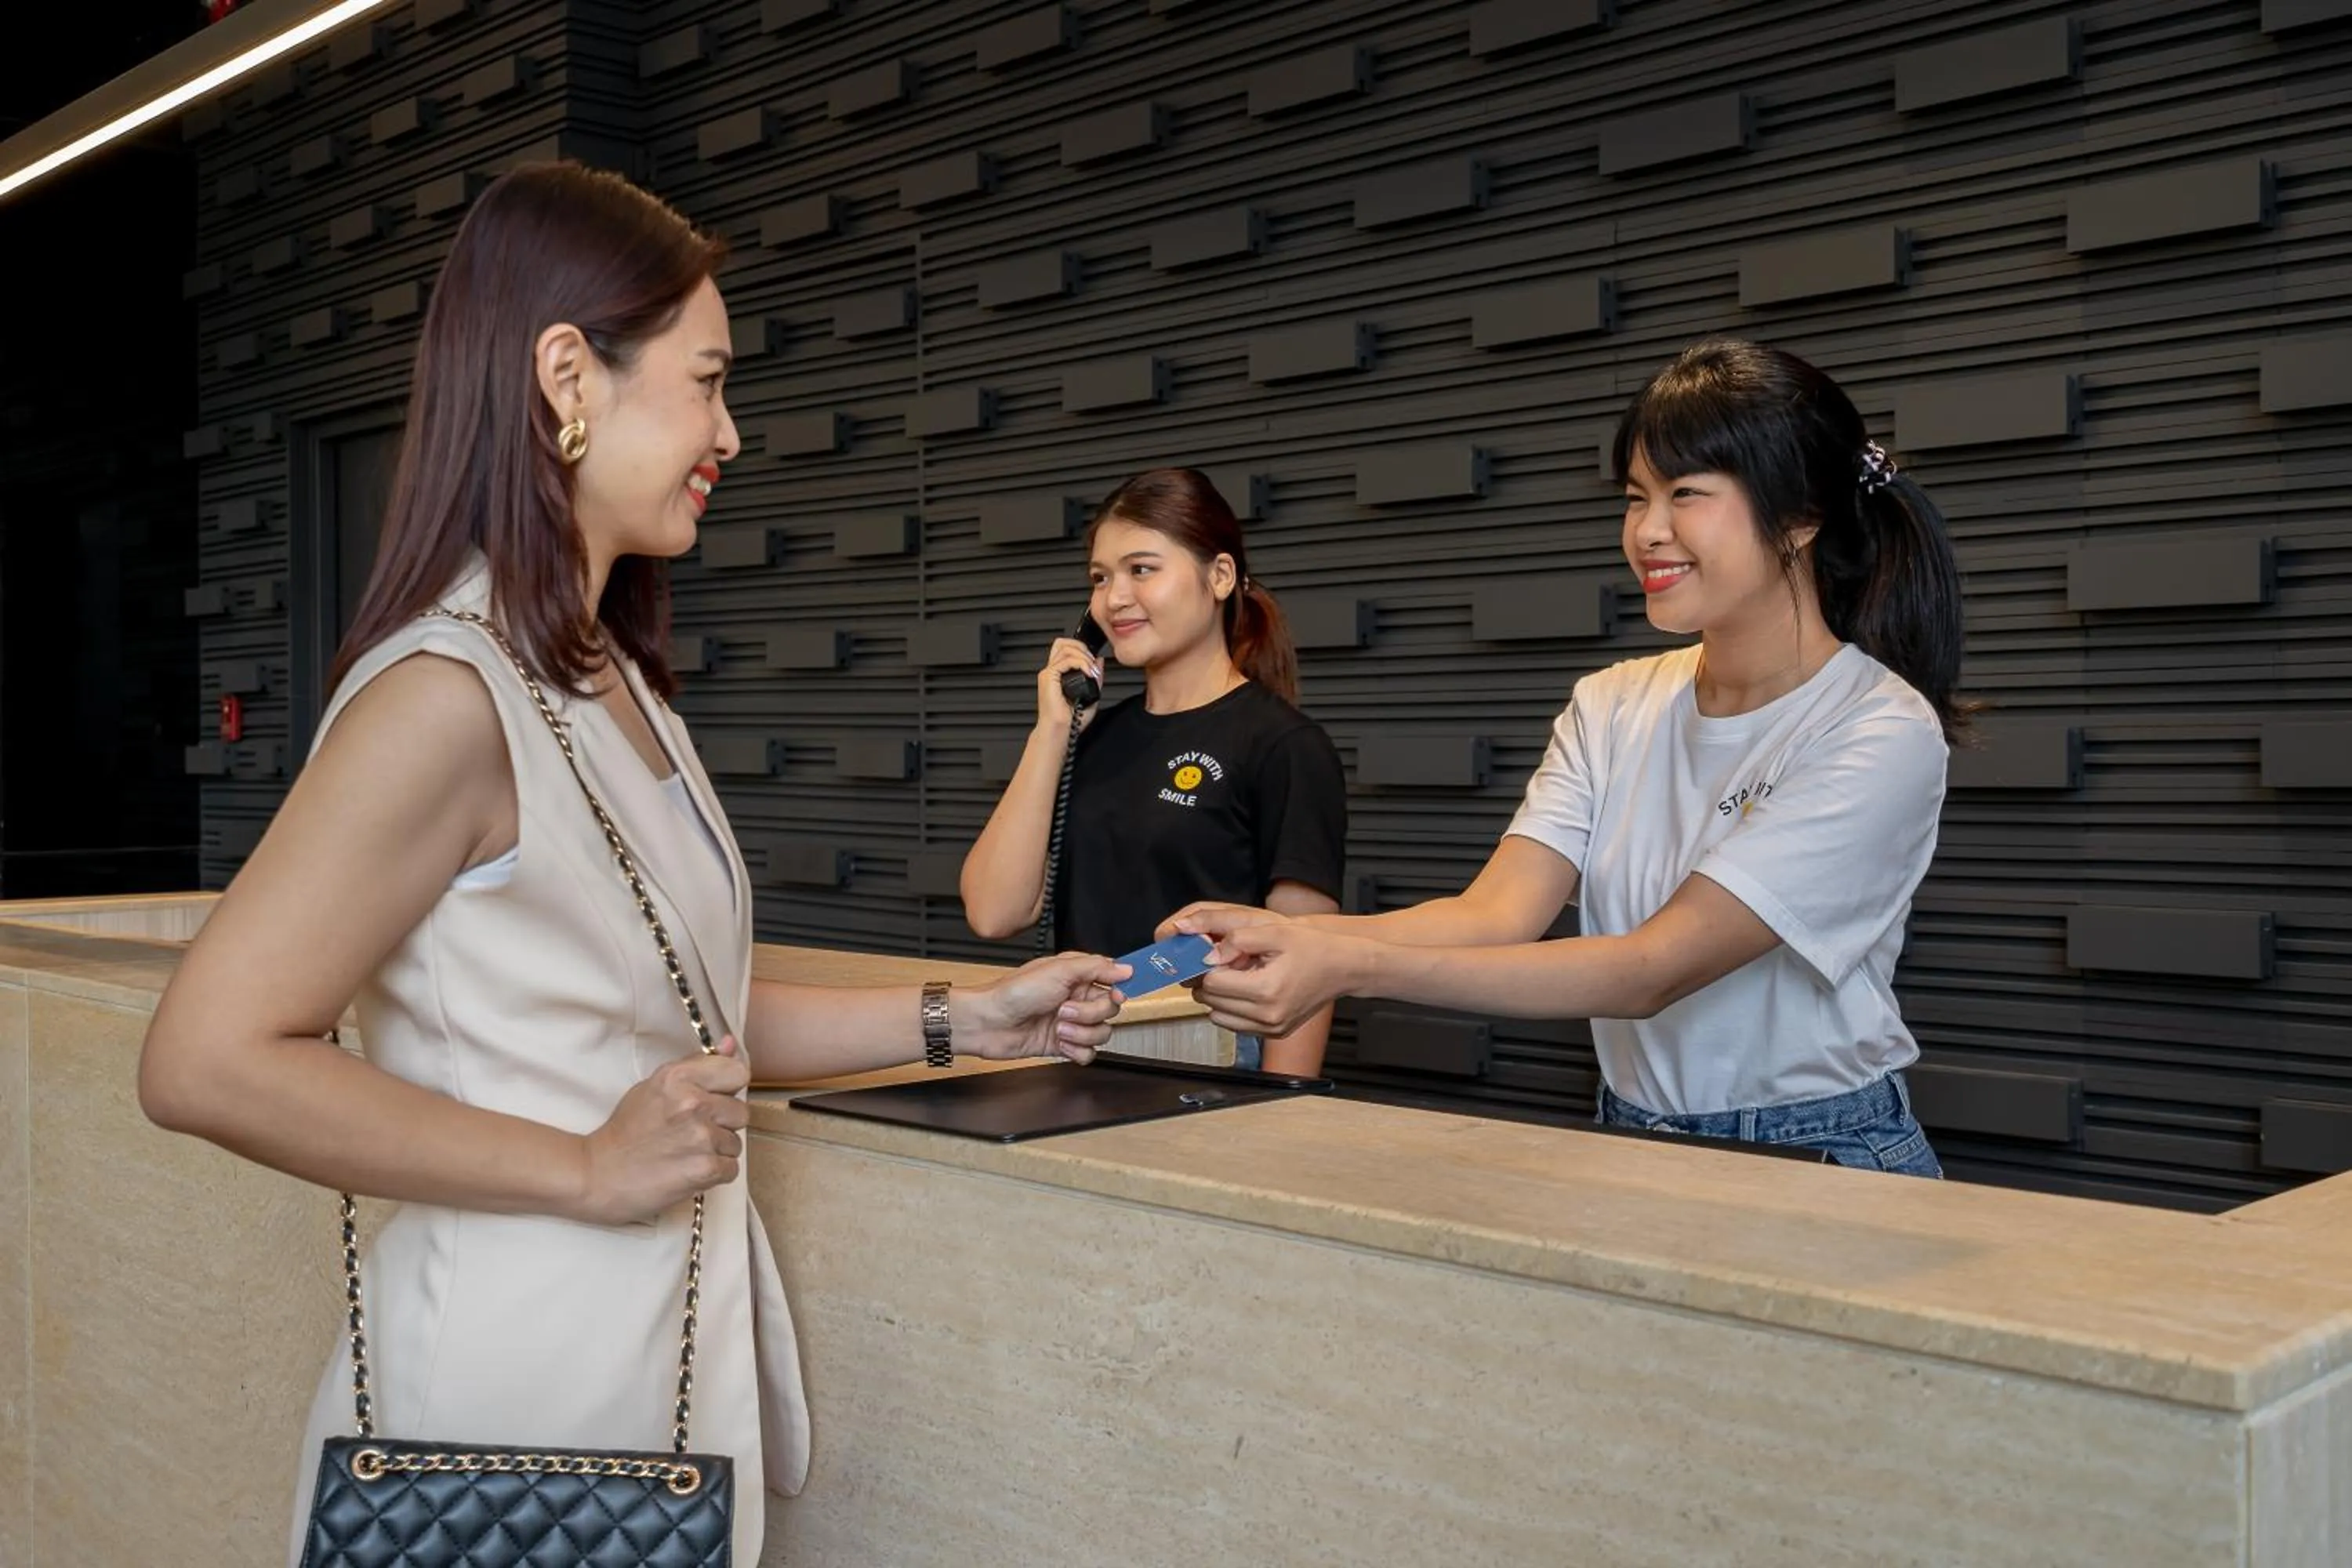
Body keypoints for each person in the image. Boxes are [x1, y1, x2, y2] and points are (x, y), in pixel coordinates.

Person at [134, 162, 1130, 1567]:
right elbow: (203, 1058)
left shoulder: (607, 681)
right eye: (708, 382)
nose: (733, 430)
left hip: (651, 1382)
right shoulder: (445, 695)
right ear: (566, 375)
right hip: (504, 1411)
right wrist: (589, 1167)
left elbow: (678, 1020)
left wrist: (964, 1017)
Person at [1165, 339, 1967, 1174]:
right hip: (1630, 1139)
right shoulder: (1613, 701)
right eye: (1635, 498)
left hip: (1820, 1157)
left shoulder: (1877, 726)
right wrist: (1301, 937)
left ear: (1800, 516)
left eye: (1686, 494)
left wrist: (1344, 962)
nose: (1648, 532)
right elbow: (1495, 916)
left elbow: (1651, 967)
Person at [960, 467, 1348, 1073]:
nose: (1114, 598)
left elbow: (1309, 963)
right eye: (1100, 578)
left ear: (1219, 576)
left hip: (1208, 1066)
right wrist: (1053, 730)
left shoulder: (1284, 745)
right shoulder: (1092, 736)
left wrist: (1280, 1116)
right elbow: (993, 912)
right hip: (1074, 1057)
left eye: (1142, 569)